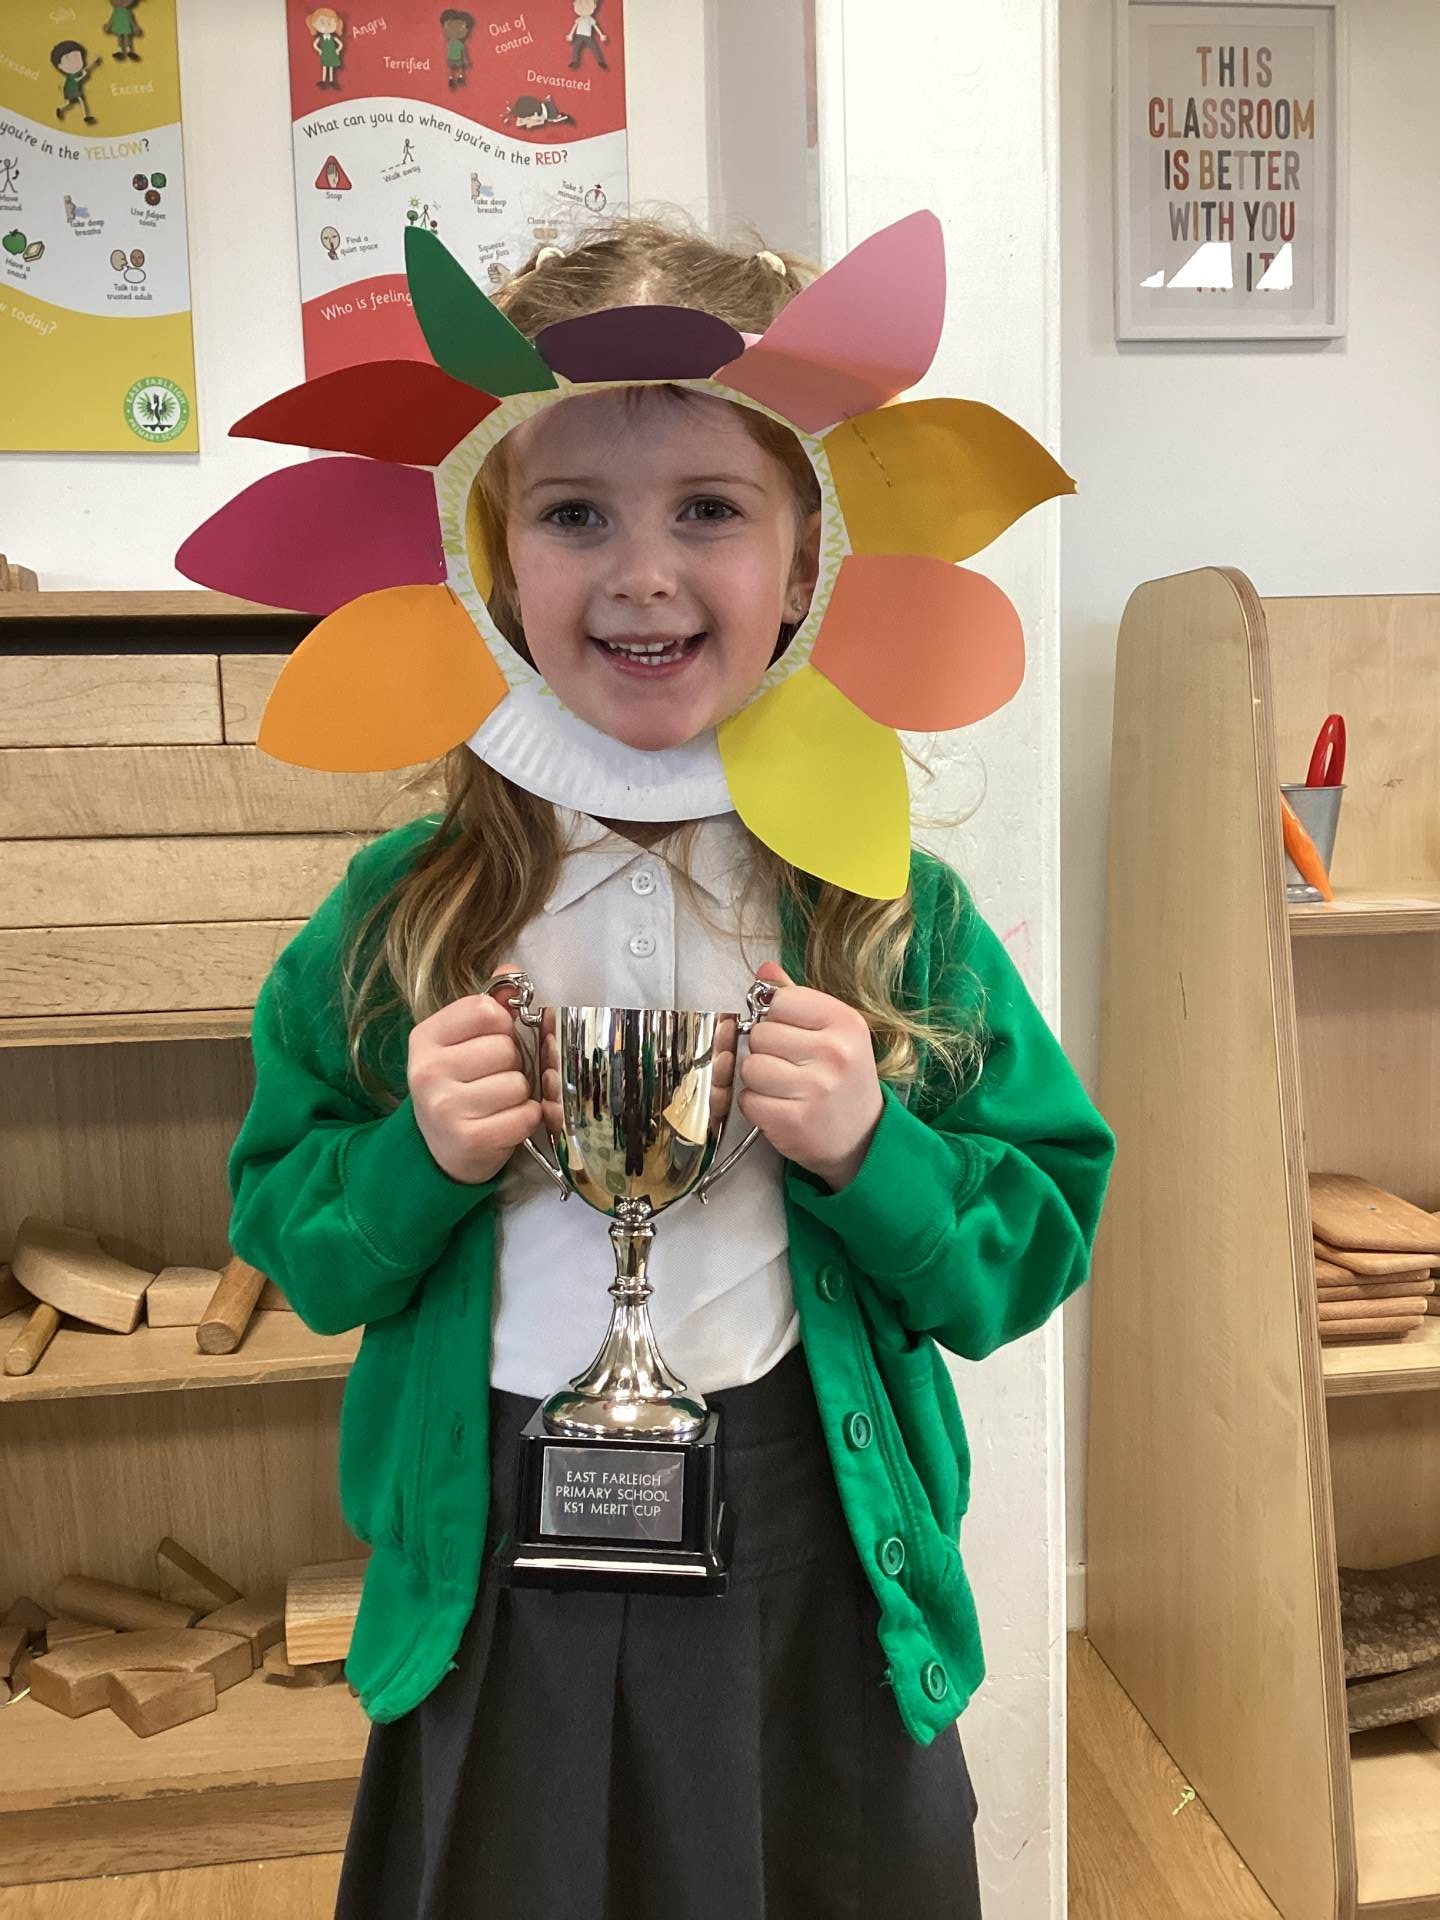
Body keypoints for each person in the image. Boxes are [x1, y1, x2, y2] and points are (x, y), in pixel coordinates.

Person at [215, 215, 1114, 1919]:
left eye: (708, 508)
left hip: (808, 1549)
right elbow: (294, 1239)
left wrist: (874, 1154)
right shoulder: (401, 918)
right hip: (498, 1554)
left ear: (807, 559)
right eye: (576, 515)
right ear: (495, 560)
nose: (641, 574)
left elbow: (1034, 1241)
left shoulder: (888, 915)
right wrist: (414, 1159)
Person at [50, 42, 99, 125]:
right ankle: (86, 116)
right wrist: (83, 75)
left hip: (69, 90)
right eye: (67, 58)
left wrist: (93, 63)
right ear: (60, 66)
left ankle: (60, 108)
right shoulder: (72, 76)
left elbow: (86, 69)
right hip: (72, 90)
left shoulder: (73, 74)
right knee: (81, 101)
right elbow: (77, 79)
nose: (74, 62)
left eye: (76, 56)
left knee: (69, 103)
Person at [567, 0, 609, 70]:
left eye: (587, 4)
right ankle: (574, 61)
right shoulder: (579, 19)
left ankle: (600, 61)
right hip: (578, 35)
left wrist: (601, 35)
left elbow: (595, 27)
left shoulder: (590, 19)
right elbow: (574, 26)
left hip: (588, 36)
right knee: (575, 48)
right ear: (574, 5)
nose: (584, 8)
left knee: (594, 48)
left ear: (594, 6)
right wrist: (570, 34)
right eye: (580, 4)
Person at [439, 9, 474, 88]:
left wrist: (465, 60)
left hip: (454, 59)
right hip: (455, 59)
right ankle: (456, 78)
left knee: (455, 69)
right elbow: (462, 53)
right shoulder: (454, 44)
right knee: (457, 69)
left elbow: (462, 52)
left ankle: (455, 78)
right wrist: (465, 61)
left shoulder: (454, 44)